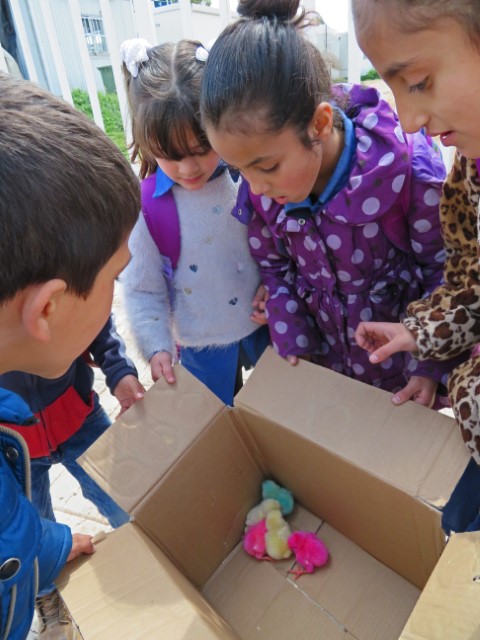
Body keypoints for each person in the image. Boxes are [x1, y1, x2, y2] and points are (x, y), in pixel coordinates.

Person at [200, 0, 463, 408]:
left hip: (403, 374)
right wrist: (292, 342)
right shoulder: (265, 192)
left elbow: (444, 272)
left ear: (320, 124)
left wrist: (430, 366)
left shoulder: (405, 173)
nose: (255, 186)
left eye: (267, 166)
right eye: (238, 170)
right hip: (327, 369)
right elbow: (275, 267)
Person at [0, 73, 139, 639]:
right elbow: (17, 529)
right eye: (114, 277)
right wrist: (47, 551)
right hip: (27, 448)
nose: (113, 298)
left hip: (75, 417)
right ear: (49, 309)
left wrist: (50, 546)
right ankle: (49, 599)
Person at [350, 0, 480, 532]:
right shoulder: (467, 174)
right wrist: (417, 330)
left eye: (420, 81)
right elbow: (472, 284)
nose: (409, 120)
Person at [120, 38, 269, 406]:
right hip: (200, 341)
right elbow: (142, 289)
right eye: (171, 155)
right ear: (145, 138)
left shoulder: (248, 176)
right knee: (218, 424)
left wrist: (275, 284)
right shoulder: (150, 207)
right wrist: (156, 346)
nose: (189, 168)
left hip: (267, 327)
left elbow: (278, 244)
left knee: (280, 412)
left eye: (203, 148)